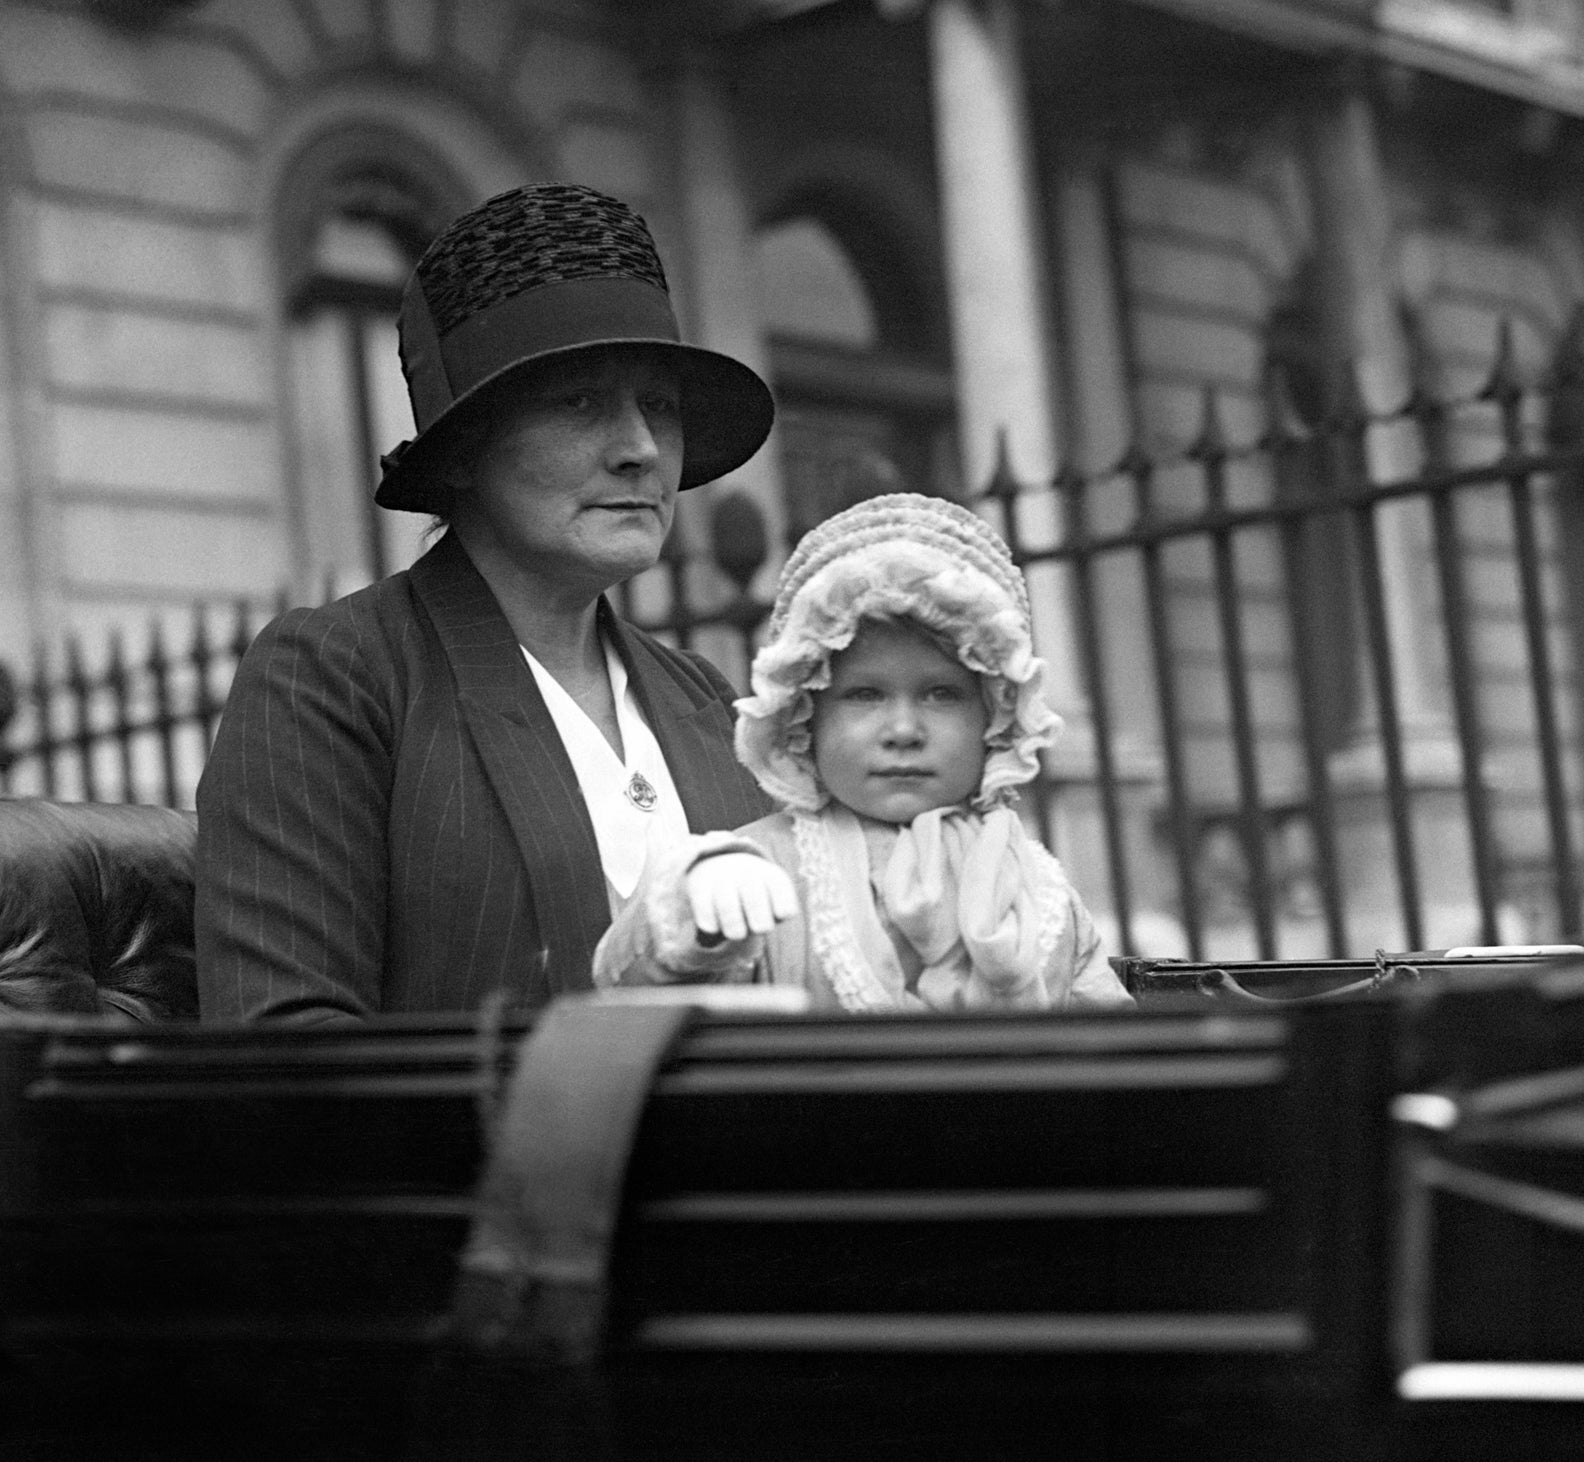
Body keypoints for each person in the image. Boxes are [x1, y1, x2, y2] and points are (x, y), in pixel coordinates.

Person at [196, 183, 787, 1026]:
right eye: (580, 401)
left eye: (658, 404)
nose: (640, 449)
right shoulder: (337, 677)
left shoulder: (708, 699)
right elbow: (287, 1045)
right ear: (469, 447)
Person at [593, 493, 1132, 1011]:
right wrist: (691, 918)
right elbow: (626, 1000)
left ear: (995, 714)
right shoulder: (762, 870)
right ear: (804, 715)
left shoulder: (1038, 886)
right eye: (865, 695)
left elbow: (1123, 1061)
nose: (903, 729)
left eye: (941, 694)